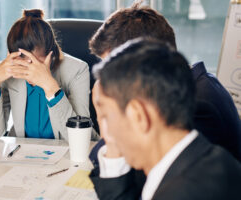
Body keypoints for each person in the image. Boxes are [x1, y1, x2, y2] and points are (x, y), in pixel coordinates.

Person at [90, 39, 241, 200]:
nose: (107, 135)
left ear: (139, 116)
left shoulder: (180, 193)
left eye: (106, 117)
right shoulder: (213, 161)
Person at [89, 5, 241, 164]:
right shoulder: (194, 83)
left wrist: (107, 115)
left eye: (114, 72)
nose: (108, 83)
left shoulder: (196, 106)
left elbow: (130, 170)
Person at [0, 9, 98, 140]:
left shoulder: (77, 70)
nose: (29, 71)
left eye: (35, 62)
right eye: (22, 63)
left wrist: (49, 86)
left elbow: (80, 137)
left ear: (51, 53)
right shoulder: (8, 70)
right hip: (23, 152)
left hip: (65, 152)